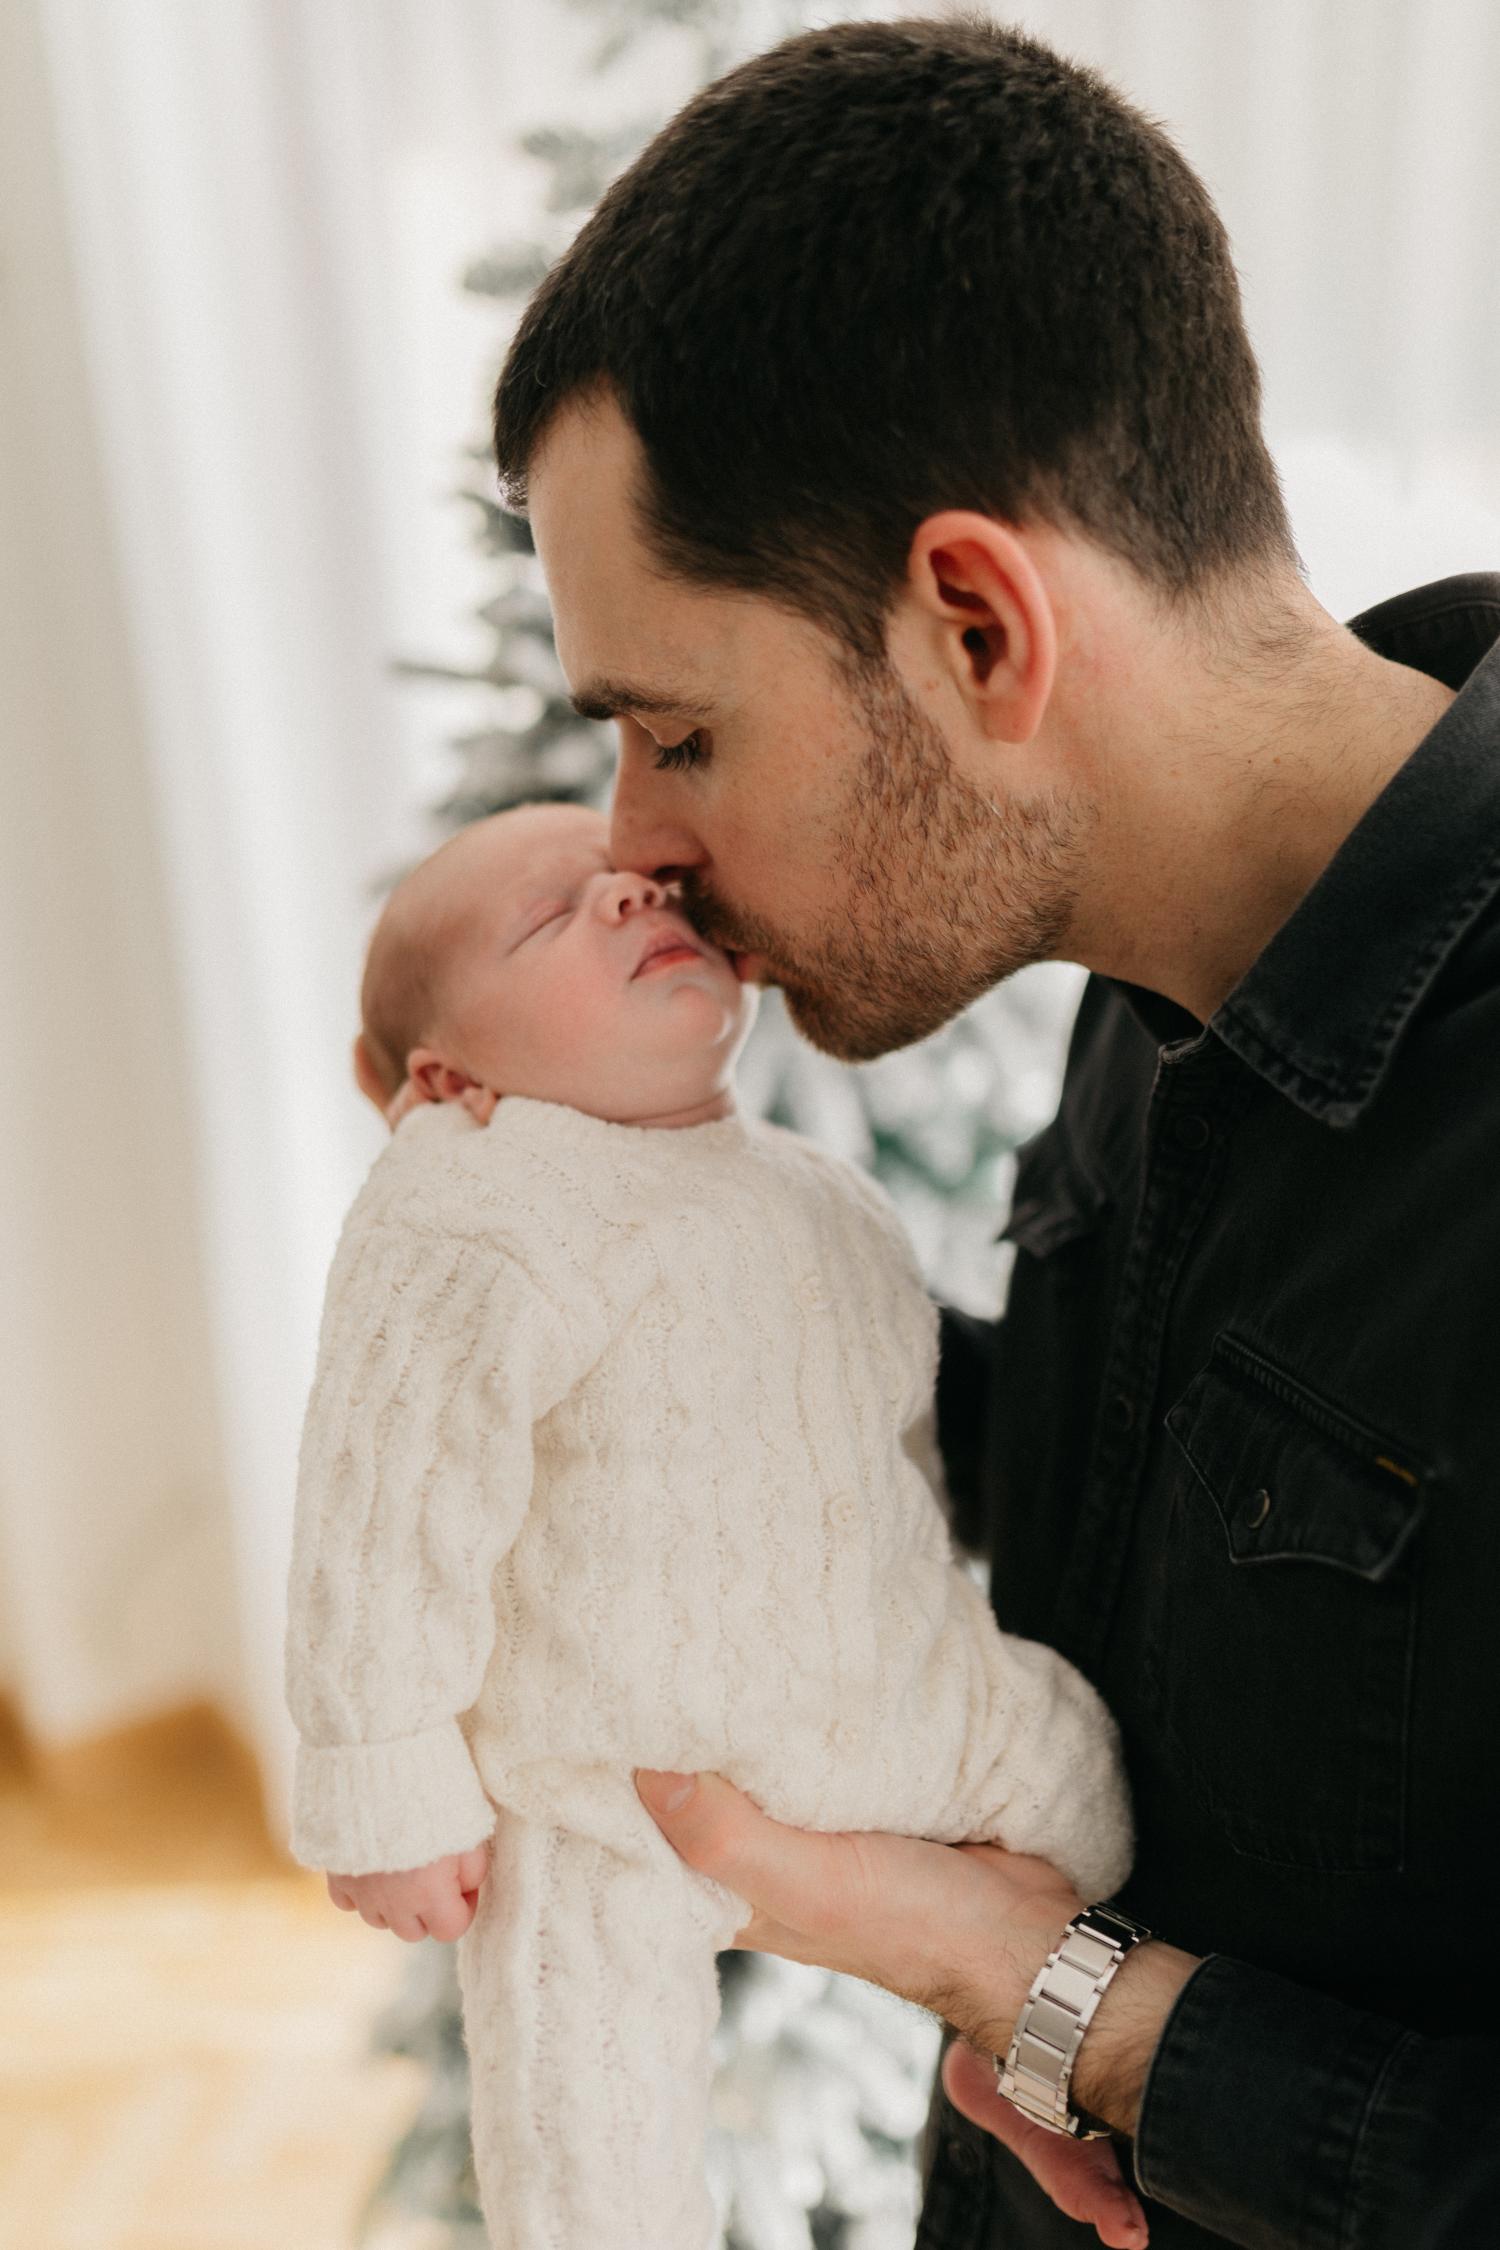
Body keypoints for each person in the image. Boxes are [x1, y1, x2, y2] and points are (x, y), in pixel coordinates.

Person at [485, 15, 1500, 2246]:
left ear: (976, 625)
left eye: (677, 732)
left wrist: (1065, 2010)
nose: (631, 846)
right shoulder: (1154, 958)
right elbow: (1155, 1486)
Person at [282, 799, 1139, 2250]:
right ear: (446, 1077)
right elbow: (387, 1497)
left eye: (636, 881)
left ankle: (1038, 2062)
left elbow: (898, 1452)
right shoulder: (476, 1204)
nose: (629, 896)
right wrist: (384, 1782)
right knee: (586, 2133)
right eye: (552, 914)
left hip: (905, 1697)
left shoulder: (817, 1190)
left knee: (1097, 1800)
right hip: (617, 1792)